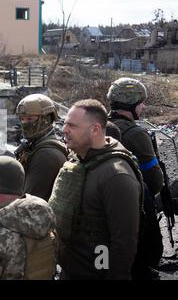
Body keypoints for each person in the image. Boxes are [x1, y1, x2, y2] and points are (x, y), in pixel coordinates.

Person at [49, 99, 142, 280]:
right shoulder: (77, 160)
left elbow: (123, 245)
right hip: (70, 270)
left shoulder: (117, 176)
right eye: (65, 124)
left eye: (72, 126)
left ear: (95, 129)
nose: (64, 130)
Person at [107, 77, 164, 279]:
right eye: (141, 103)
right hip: (131, 214)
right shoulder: (136, 134)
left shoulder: (98, 126)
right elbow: (155, 181)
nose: (143, 107)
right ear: (131, 104)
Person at [14, 93, 68, 201]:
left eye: (30, 119)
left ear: (46, 119)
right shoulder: (35, 146)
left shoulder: (46, 155)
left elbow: (29, 203)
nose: (25, 123)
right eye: (22, 119)